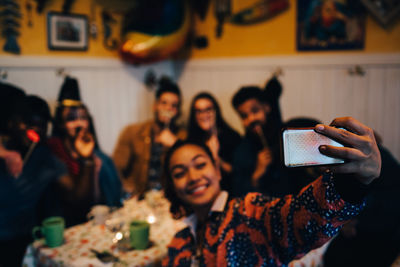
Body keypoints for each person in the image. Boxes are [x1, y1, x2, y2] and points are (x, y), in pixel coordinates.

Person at [161, 116, 381, 267]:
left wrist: (352, 183)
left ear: (218, 171)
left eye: (200, 165)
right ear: (172, 186)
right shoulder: (177, 244)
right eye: (180, 173)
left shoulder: (247, 213)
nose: (193, 177)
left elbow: (298, 220)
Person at [0, 85, 66, 267]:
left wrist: (88, 161)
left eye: (43, 124)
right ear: (11, 122)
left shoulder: (44, 157)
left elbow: (72, 190)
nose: (36, 129)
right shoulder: (4, 148)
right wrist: (4, 153)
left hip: (27, 240)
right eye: (29, 122)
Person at [47, 76, 122, 227]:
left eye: (83, 118)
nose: (79, 124)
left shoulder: (101, 158)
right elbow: (77, 203)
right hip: (68, 225)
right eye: (71, 119)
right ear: (61, 125)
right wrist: (87, 162)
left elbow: (105, 199)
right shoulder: (54, 153)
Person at [113, 77, 186, 196]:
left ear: (177, 111)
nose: (168, 108)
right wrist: (127, 189)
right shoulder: (132, 132)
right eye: (164, 103)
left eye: (174, 105)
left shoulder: (182, 136)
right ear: (155, 106)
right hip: (138, 198)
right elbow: (116, 168)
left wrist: (175, 145)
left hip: (168, 198)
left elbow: (187, 171)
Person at [231, 86, 290, 197]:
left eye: (255, 111)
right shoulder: (241, 151)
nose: (251, 119)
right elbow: (239, 194)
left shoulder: (288, 136)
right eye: (244, 116)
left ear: (266, 107)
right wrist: (257, 174)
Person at [187, 92, 241, 193]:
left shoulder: (232, 137)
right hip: (202, 194)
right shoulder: (192, 141)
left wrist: (216, 158)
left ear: (216, 111)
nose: (204, 115)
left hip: (230, 193)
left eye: (208, 109)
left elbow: (239, 172)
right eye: (199, 111)